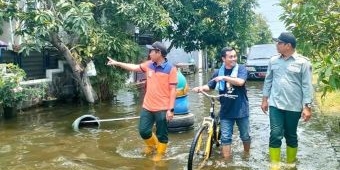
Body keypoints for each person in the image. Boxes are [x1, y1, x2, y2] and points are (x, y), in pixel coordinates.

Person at [107, 41, 177, 161]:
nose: (149, 53)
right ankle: (153, 146)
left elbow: (173, 90)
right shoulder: (149, 64)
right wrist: (117, 63)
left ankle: (160, 154)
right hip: (148, 106)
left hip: (162, 108)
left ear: (159, 53)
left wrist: (170, 110)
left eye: (152, 51)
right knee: (143, 131)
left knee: (162, 134)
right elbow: (134, 67)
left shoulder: (171, 69)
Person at [261, 32, 313, 169]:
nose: (276, 45)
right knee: (275, 134)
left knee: (291, 135)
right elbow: (268, 81)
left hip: (294, 106)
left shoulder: (303, 62)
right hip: (275, 105)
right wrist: (264, 99)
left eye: (279, 43)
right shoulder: (273, 60)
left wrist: (307, 107)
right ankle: (274, 166)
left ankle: (291, 164)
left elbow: (307, 85)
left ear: (288, 46)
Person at [192, 47, 251, 160]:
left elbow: (240, 82)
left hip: (241, 110)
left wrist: (224, 78)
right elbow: (210, 86)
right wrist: (200, 88)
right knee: (225, 138)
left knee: (245, 136)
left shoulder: (241, 69)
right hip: (226, 111)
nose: (234, 59)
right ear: (223, 58)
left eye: (235, 56)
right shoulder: (218, 72)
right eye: (231, 57)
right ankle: (227, 161)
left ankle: (246, 155)